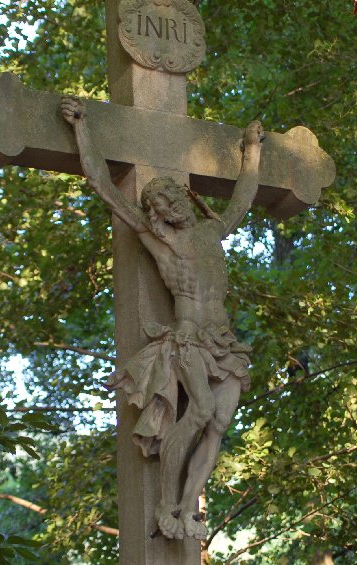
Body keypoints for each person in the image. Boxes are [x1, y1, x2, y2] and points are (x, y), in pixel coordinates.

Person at [61, 96, 264, 540]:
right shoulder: (162, 244)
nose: (173, 206)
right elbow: (103, 186)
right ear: (159, 213)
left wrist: (253, 150)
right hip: (188, 340)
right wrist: (81, 129)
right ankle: (166, 503)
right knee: (200, 411)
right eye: (162, 203)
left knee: (219, 424)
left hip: (225, 341)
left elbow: (243, 198)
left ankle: (189, 508)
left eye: (173, 197)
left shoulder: (212, 231)